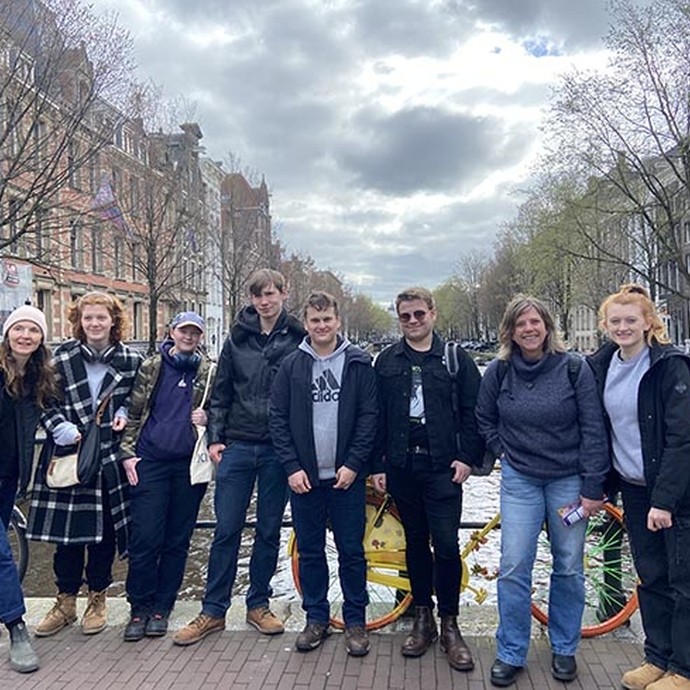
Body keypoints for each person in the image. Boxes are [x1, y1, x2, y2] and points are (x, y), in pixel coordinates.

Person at [475, 295, 608, 687]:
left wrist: (592, 486)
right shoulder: (499, 372)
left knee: (568, 564)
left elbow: (593, 428)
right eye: (521, 324)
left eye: (535, 322)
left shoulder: (573, 369)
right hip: (520, 479)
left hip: (567, 478)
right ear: (511, 332)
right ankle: (511, 651)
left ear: (547, 327)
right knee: (514, 564)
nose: (529, 329)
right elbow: (484, 417)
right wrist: (504, 451)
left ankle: (564, 647)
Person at [173, 269, 305, 646]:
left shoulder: (299, 338)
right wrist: (216, 438)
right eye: (258, 295)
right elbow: (221, 392)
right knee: (226, 529)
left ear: (283, 293)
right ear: (251, 299)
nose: (264, 301)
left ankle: (257, 605)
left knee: (267, 530)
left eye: (270, 294)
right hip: (237, 446)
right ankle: (213, 610)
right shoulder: (236, 339)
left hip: (279, 450)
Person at [371, 287, 483, 672]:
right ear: (398, 319)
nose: (413, 321)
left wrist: (467, 457)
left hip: (442, 468)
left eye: (419, 314)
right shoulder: (386, 361)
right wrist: (378, 465)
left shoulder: (455, 360)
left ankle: (451, 623)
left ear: (432, 314)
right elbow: (377, 417)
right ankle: (424, 617)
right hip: (403, 466)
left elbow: (474, 410)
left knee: (447, 545)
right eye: (405, 316)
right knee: (415, 543)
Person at [589, 285, 690, 690]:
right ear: (605, 325)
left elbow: (683, 437)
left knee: (683, 581)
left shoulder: (670, 367)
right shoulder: (602, 365)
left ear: (649, 322)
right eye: (616, 321)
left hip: (674, 493)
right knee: (650, 577)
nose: (623, 327)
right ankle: (656, 658)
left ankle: (683, 669)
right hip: (632, 487)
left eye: (632, 320)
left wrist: (664, 500)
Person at [269, 291, 377, 656]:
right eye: (315, 320)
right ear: (307, 323)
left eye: (327, 319)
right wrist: (292, 467)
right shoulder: (291, 365)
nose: (321, 326)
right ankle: (316, 618)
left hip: (346, 476)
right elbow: (278, 419)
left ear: (337, 321)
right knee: (311, 552)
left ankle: (356, 621)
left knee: (351, 551)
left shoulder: (359, 363)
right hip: (305, 479)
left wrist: (354, 464)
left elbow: (368, 418)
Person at [28, 292, 142, 637]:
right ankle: (65, 602)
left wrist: (123, 413)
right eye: (88, 318)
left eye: (101, 318)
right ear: (79, 321)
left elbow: (138, 400)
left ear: (113, 321)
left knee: (104, 534)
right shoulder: (60, 358)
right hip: (67, 454)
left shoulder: (130, 360)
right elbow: (41, 398)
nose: (94, 324)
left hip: (107, 456)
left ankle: (98, 598)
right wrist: (57, 426)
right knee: (67, 537)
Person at [119, 311, 215, 641]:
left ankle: (162, 606)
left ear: (200, 337)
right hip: (151, 461)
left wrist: (210, 416)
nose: (189, 337)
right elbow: (134, 411)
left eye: (195, 333)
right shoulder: (151, 366)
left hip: (190, 467)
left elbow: (222, 410)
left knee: (177, 539)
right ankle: (139, 607)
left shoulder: (209, 371)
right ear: (172, 332)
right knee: (146, 537)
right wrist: (129, 454)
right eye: (184, 331)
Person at [0, 305, 56, 673]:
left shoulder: (39, 378)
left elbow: (54, 412)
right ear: (6, 335)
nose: (25, 335)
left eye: (32, 330)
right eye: (18, 328)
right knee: (2, 554)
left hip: (8, 479)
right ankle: (17, 627)